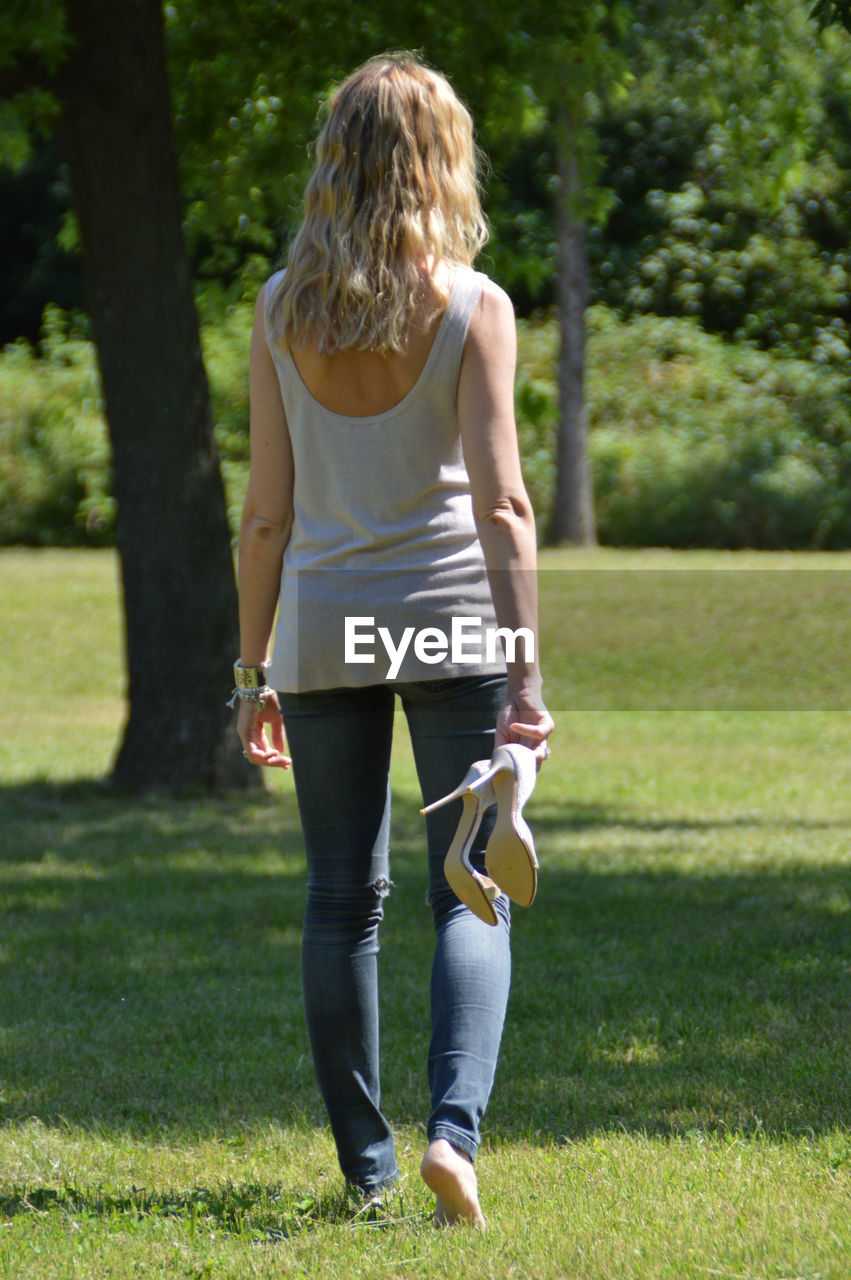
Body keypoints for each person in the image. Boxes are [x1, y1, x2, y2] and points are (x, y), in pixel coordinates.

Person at [233, 52, 554, 1226]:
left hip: (325, 631)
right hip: (452, 626)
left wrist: (248, 667)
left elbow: (265, 510)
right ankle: (452, 1136)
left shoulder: (279, 307)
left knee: (337, 898)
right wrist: (526, 673)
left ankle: (366, 1166)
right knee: (466, 885)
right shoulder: (473, 305)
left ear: (334, 162)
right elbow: (503, 505)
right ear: (439, 160)